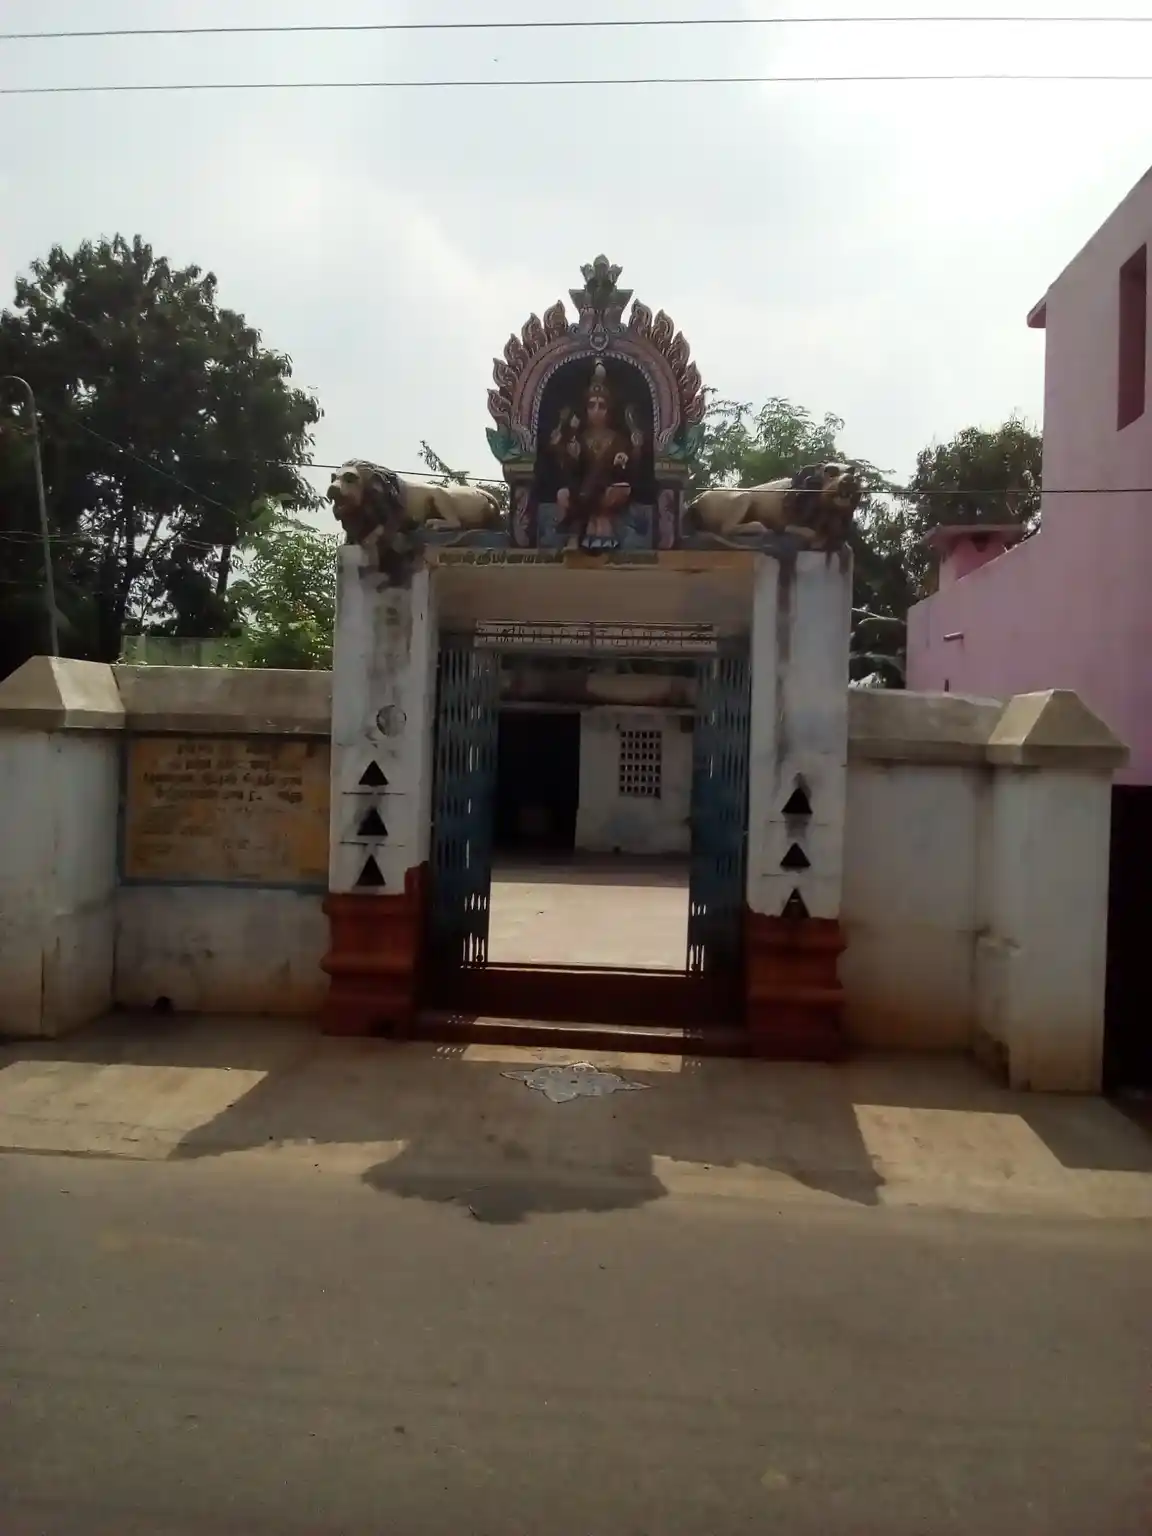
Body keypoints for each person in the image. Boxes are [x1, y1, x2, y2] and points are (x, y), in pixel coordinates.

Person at [550, 361, 643, 551]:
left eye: (601, 406)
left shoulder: (618, 439)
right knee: (563, 494)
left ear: (609, 410)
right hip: (583, 492)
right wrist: (569, 454)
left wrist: (632, 452)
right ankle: (586, 526)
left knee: (621, 490)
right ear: (585, 409)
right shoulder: (580, 438)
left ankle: (592, 525)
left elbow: (629, 469)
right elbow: (571, 470)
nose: (596, 411)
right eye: (592, 405)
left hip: (606, 493)